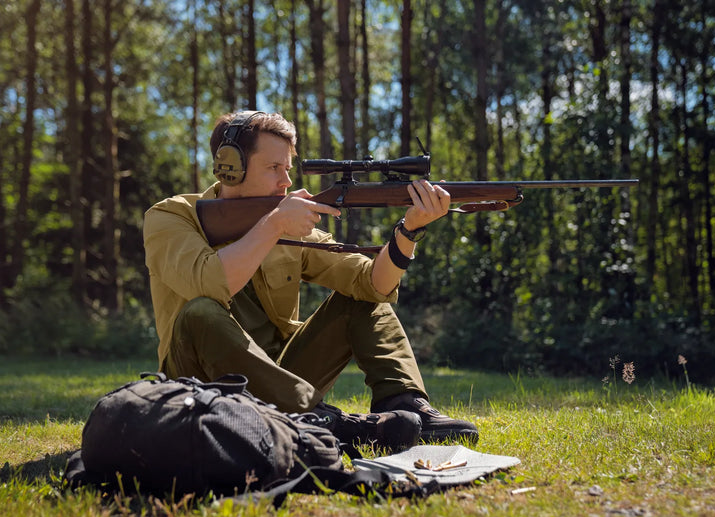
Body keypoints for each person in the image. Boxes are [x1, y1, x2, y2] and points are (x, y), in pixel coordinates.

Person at [143, 110, 478, 450]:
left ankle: (405, 406)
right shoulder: (170, 217)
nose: (286, 182)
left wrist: (408, 231)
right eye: (274, 168)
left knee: (358, 298)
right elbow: (212, 282)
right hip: (197, 389)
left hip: (281, 378)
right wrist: (273, 226)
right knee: (200, 311)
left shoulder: (283, 220)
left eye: (287, 169)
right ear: (230, 167)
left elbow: (372, 282)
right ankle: (324, 420)